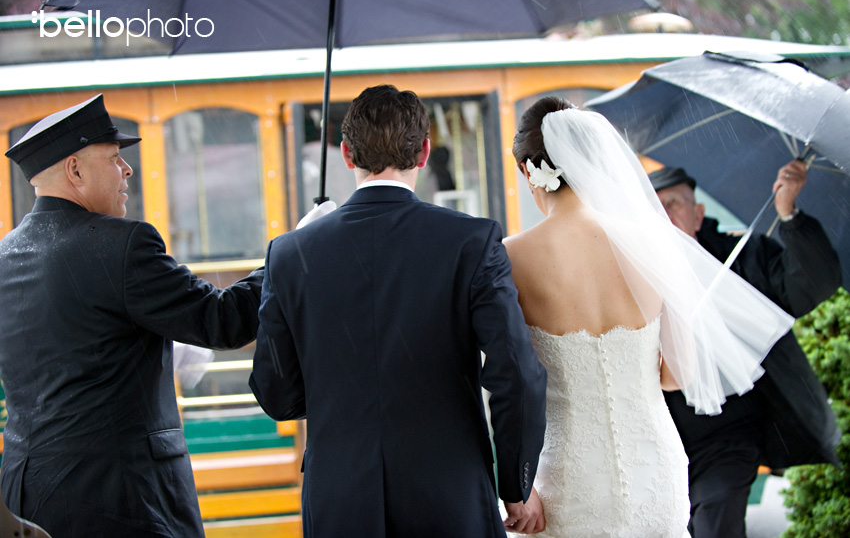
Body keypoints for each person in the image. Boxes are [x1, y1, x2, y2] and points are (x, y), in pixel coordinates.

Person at [249, 85, 548, 538]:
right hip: (449, 494)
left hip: (339, 500)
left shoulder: (290, 254)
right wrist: (515, 483)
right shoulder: (472, 242)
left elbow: (275, 393)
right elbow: (517, 373)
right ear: (424, 152)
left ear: (346, 154)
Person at [504, 97, 792, 538]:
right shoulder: (655, 245)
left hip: (568, 479)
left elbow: (509, 381)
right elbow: (677, 375)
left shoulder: (511, 257)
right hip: (656, 469)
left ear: (529, 171)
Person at [0, 94, 265, 538]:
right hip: (120, 500)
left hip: (25, 495)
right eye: (114, 158)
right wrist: (291, 254)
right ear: (75, 170)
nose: (128, 171)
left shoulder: (5, 257)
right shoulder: (121, 245)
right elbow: (224, 321)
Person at [649, 164, 841, 538]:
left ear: (698, 215)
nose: (665, 216)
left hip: (727, 438)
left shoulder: (740, 257)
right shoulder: (625, 274)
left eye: (674, 204)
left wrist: (788, 212)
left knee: (716, 525)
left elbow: (813, 282)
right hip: (659, 441)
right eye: (655, 208)